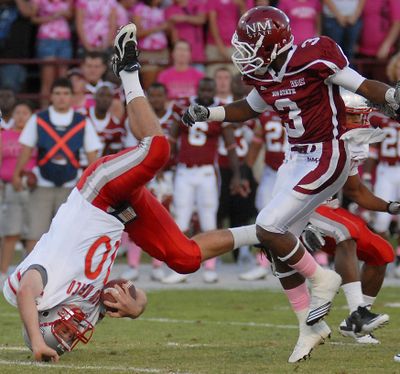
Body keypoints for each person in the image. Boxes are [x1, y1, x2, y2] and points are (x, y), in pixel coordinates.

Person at [3, 24, 256, 361]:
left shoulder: (38, 291)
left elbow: (25, 290)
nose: (74, 328)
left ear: (45, 318)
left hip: (97, 194)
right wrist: (136, 307)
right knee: (185, 259)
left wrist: (36, 341)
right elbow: (135, 295)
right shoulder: (85, 307)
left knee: (158, 150)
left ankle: (128, 71)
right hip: (122, 215)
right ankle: (264, 231)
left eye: (62, 331)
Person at [182, 6, 400, 362]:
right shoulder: (265, 75)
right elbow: (249, 108)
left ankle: (324, 281)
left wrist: (391, 97)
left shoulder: (313, 56)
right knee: (277, 248)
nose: (243, 55)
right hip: (294, 158)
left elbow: (360, 85)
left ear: (272, 44)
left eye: (249, 46)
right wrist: (211, 113)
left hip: (329, 152)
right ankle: (308, 327)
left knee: (268, 226)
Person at [162, 77, 247, 284]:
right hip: (184, 171)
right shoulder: (184, 107)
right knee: (181, 219)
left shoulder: (219, 111)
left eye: (210, 89)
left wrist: (237, 174)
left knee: (208, 219)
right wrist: (162, 165)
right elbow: (171, 139)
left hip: (208, 172)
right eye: (204, 89)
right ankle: (179, 267)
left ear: (214, 90)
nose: (207, 93)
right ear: (198, 89)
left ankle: (210, 267)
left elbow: (230, 146)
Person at [12, 78, 102, 254]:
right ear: (51, 96)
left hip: (72, 186)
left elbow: (93, 156)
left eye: (65, 93)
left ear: (72, 97)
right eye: (58, 93)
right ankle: (30, 274)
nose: (61, 98)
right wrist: (17, 174)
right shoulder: (38, 118)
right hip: (41, 185)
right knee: (35, 234)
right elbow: (27, 150)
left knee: (69, 235)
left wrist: (95, 185)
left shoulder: (82, 121)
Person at [0, 101, 36, 290]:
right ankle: (3, 272)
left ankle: (28, 273)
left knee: (33, 233)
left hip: (32, 188)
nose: (21, 116)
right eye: (18, 112)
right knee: (10, 232)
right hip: (10, 188)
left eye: (25, 112)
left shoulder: (35, 136)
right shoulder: (4, 136)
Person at [31, 0, 73, 108]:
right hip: (46, 39)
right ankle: (44, 110)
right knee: (47, 81)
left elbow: (72, 15)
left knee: (63, 79)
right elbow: (33, 18)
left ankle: (64, 109)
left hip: (64, 39)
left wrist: (64, 14)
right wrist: (51, 18)